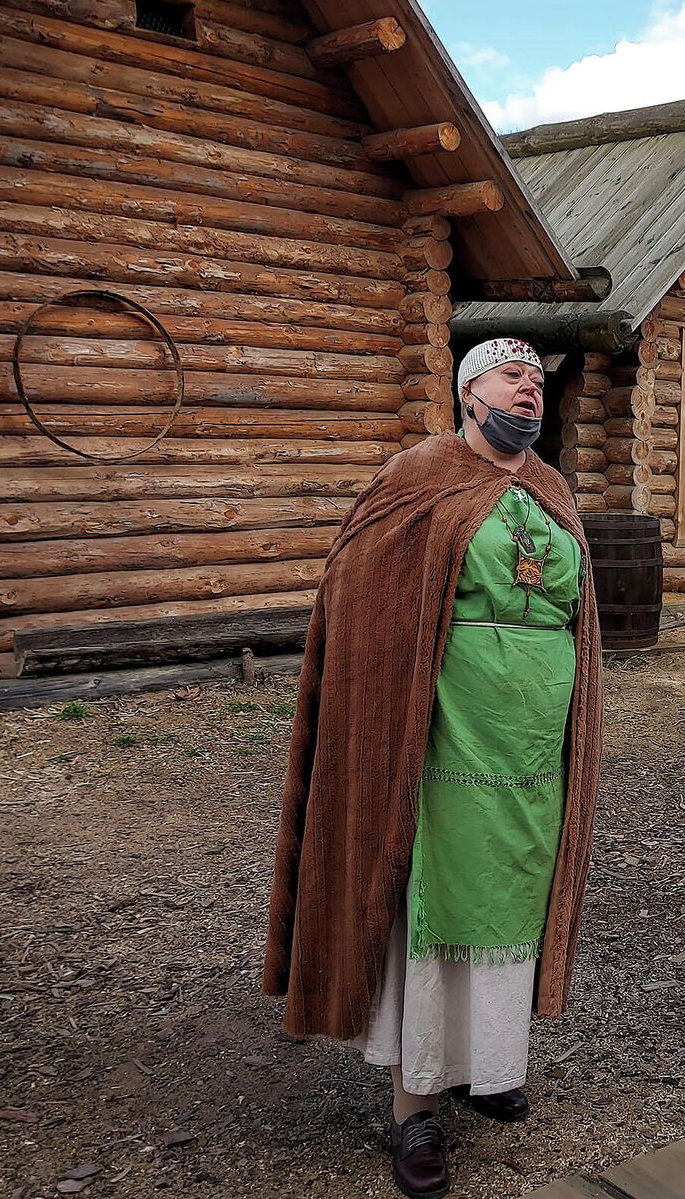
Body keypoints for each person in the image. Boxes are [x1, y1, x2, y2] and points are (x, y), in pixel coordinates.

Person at [263, 338, 605, 1198]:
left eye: (537, 381)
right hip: (443, 736)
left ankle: (486, 1067)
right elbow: (360, 585)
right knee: (434, 896)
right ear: (467, 392)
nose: (529, 389)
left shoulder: (551, 489)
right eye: (509, 376)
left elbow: (573, 607)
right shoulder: (421, 472)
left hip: (533, 741)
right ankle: (414, 1101)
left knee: (514, 894)